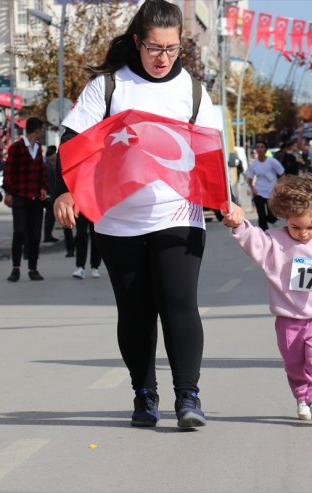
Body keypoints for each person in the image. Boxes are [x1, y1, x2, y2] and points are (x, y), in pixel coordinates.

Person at [54, 0, 222, 429]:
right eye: (154, 48)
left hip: (177, 214)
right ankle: (144, 394)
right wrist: (64, 192)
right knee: (135, 310)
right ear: (137, 42)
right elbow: (72, 143)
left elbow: (209, 153)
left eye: (172, 49)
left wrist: (225, 200)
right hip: (118, 218)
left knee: (179, 303)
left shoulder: (195, 91)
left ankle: (189, 396)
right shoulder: (109, 87)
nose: (163, 58)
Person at [222, 175, 312, 425]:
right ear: (286, 220)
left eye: (309, 227)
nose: (303, 234)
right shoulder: (275, 242)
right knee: (293, 363)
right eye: (295, 227)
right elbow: (253, 241)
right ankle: (303, 396)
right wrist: (238, 224)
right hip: (288, 317)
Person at [3, 117, 48, 282]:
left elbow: (41, 171)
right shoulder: (16, 148)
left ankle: (33, 269)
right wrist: (8, 192)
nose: (41, 133)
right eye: (41, 130)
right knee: (20, 232)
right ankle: (15, 269)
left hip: (36, 198)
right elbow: (9, 171)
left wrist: (43, 187)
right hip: (20, 196)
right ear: (36, 130)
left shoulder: (38, 149)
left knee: (35, 235)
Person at [246, 141, 284, 231]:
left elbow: (282, 174)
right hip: (259, 191)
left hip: (272, 191)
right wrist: (253, 189)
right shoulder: (254, 164)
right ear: (255, 149)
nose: (260, 149)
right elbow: (249, 179)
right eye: (258, 147)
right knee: (261, 215)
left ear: (265, 149)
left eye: (262, 147)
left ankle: (272, 219)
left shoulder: (272, 161)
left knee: (271, 215)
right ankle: (264, 233)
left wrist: (279, 186)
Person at [71, 214, 102, 279]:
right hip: (82, 206)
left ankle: (95, 266)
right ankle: (80, 267)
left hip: (95, 206)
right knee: (81, 235)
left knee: (96, 234)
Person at [42, 145, 59, 243]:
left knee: (51, 217)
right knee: (49, 217)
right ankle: (47, 236)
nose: (56, 156)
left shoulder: (51, 165)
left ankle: (49, 235)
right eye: (55, 154)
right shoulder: (47, 166)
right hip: (49, 196)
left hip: (52, 195)